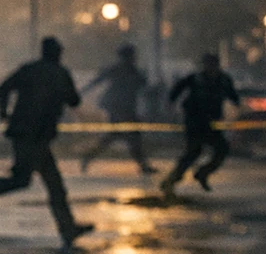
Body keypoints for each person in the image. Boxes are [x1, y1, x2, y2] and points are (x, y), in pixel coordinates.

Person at [0, 37, 93, 250]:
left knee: (28, 179)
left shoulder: (30, 70)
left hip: (24, 132)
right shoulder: (59, 73)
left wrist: (4, 112)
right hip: (37, 135)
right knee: (41, 182)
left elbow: (4, 88)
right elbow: (74, 100)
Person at [160, 53, 240, 198]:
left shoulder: (223, 80)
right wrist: (169, 104)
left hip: (210, 123)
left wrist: (236, 104)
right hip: (194, 121)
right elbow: (176, 90)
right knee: (193, 152)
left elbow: (233, 95)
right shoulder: (196, 79)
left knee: (222, 149)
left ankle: (202, 173)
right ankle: (171, 180)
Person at [80, 44, 157, 175]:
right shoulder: (119, 69)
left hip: (125, 108)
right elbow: (97, 81)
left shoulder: (132, 70)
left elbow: (143, 86)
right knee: (131, 137)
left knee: (116, 136)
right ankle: (143, 165)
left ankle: (88, 156)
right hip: (118, 108)